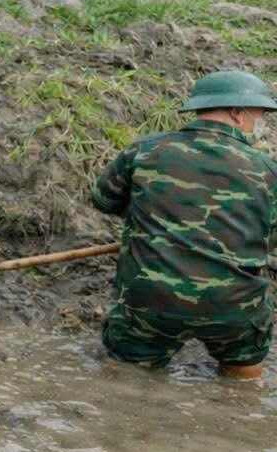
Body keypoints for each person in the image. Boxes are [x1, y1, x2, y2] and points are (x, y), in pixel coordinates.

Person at [91, 70, 277, 378]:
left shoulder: (145, 150)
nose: (259, 121)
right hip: (234, 308)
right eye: (259, 113)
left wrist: (151, 219)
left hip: (151, 299)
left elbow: (102, 200)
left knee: (125, 379)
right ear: (236, 111)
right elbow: (268, 238)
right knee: (243, 382)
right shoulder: (269, 171)